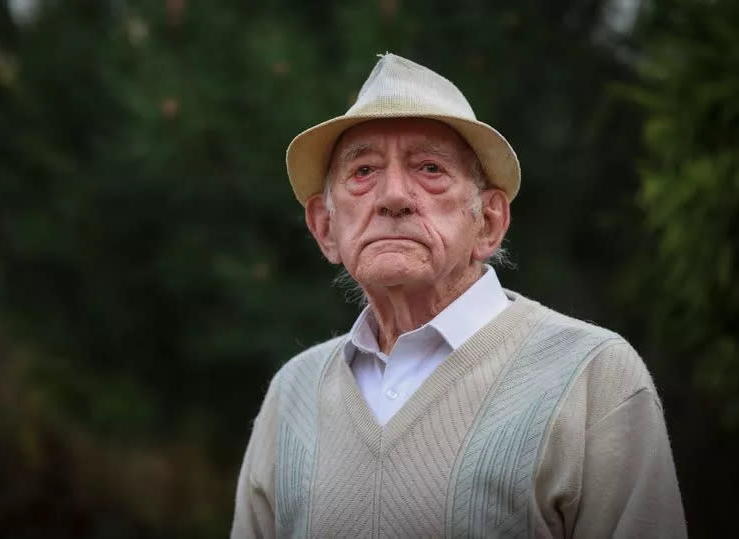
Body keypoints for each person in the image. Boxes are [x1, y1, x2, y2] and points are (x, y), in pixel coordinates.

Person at [232, 53, 686, 538]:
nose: (393, 197)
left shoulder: (593, 377)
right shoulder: (292, 394)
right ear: (326, 227)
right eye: (363, 171)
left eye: (429, 168)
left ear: (489, 222)